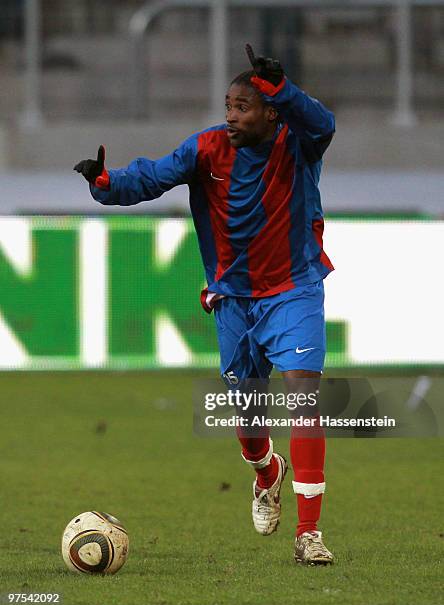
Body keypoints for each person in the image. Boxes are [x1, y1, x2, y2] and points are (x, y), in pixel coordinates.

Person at [74, 45, 335, 565]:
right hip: (234, 299)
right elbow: (149, 177)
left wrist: (284, 89)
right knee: (248, 415)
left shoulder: (297, 143)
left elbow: (323, 123)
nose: (231, 115)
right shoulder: (207, 150)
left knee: (304, 399)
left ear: (270, 113)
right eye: (228, 105)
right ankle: (265, 472)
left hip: (293, 289)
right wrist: (105, 183)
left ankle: (310, 535)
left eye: (242, 106)